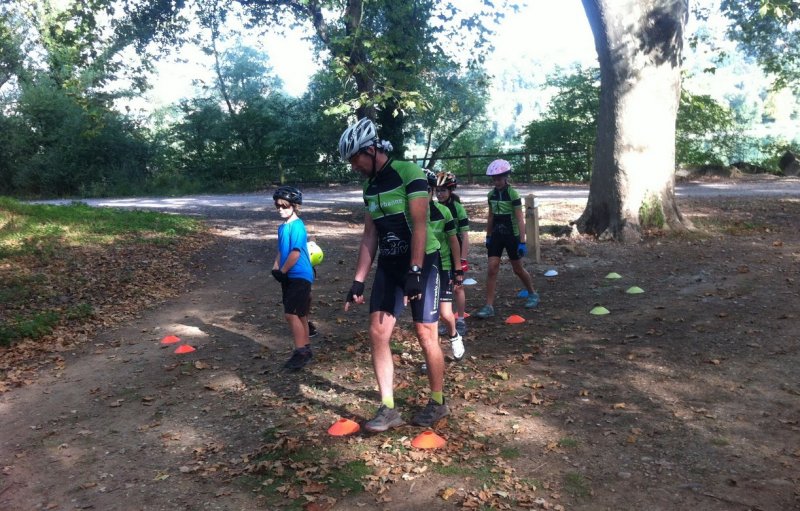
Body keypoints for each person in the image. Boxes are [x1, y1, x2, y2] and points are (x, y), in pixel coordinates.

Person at [339, 117, 449, 432]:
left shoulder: (409, 174)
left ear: (371, 150)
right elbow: (369, 236)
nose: (354, 165)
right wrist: (358, 279)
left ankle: (438, 401)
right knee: (378, 333)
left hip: (422, 261)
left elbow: (419, 224)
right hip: (388, 265)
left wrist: (415, 270)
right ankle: (388, 408)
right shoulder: (369, 186)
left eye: (355, 158)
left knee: (426, 334)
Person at [475, 159, 539, 318]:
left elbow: (519, 218)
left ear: (505, 177)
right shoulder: (491, 195)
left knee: (517, 269)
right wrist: (488, 236)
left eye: (499, 178)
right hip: (496, 235)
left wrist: (522, 241)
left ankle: (532, 293)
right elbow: (490, 217)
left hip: (512, 235)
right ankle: (489, 306)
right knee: (492, 269)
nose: (496, 181)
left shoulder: (513, 194)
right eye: (494, 179)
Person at [271, 186, 315, 370]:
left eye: (285, 206)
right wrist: (276, 267)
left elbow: (296, 252)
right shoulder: (282, 228)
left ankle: (300, 352)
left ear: (295, 206)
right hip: (288, 275)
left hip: (300, 275)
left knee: (291, 314)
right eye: (278, 206)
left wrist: (284, 271)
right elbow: (282, 250)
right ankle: (306, 348)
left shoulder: (297, 226)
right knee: (301, 314)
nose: (281, 209)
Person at [424, 170, 465, 363]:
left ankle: (455, 335)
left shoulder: (444, 211)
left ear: (430, 190)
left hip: (444, 265)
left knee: (445, 314)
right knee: (427, 318)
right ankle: (432, 356)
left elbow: (454, 241)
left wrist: (458, 269)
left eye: (426, 189)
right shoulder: (410, 211)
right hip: (423, 267)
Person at [435, 171, 470, 337]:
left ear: (450, 191)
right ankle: (446, 320)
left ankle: (461, 320)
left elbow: (464, 236)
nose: (439, 194)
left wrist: (462, 259)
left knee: (458, 287)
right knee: (442, 287)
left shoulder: (458, 208)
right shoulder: (435, 208)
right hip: (442, 253)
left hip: (457, 252)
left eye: (443, 190)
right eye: (437, 190)